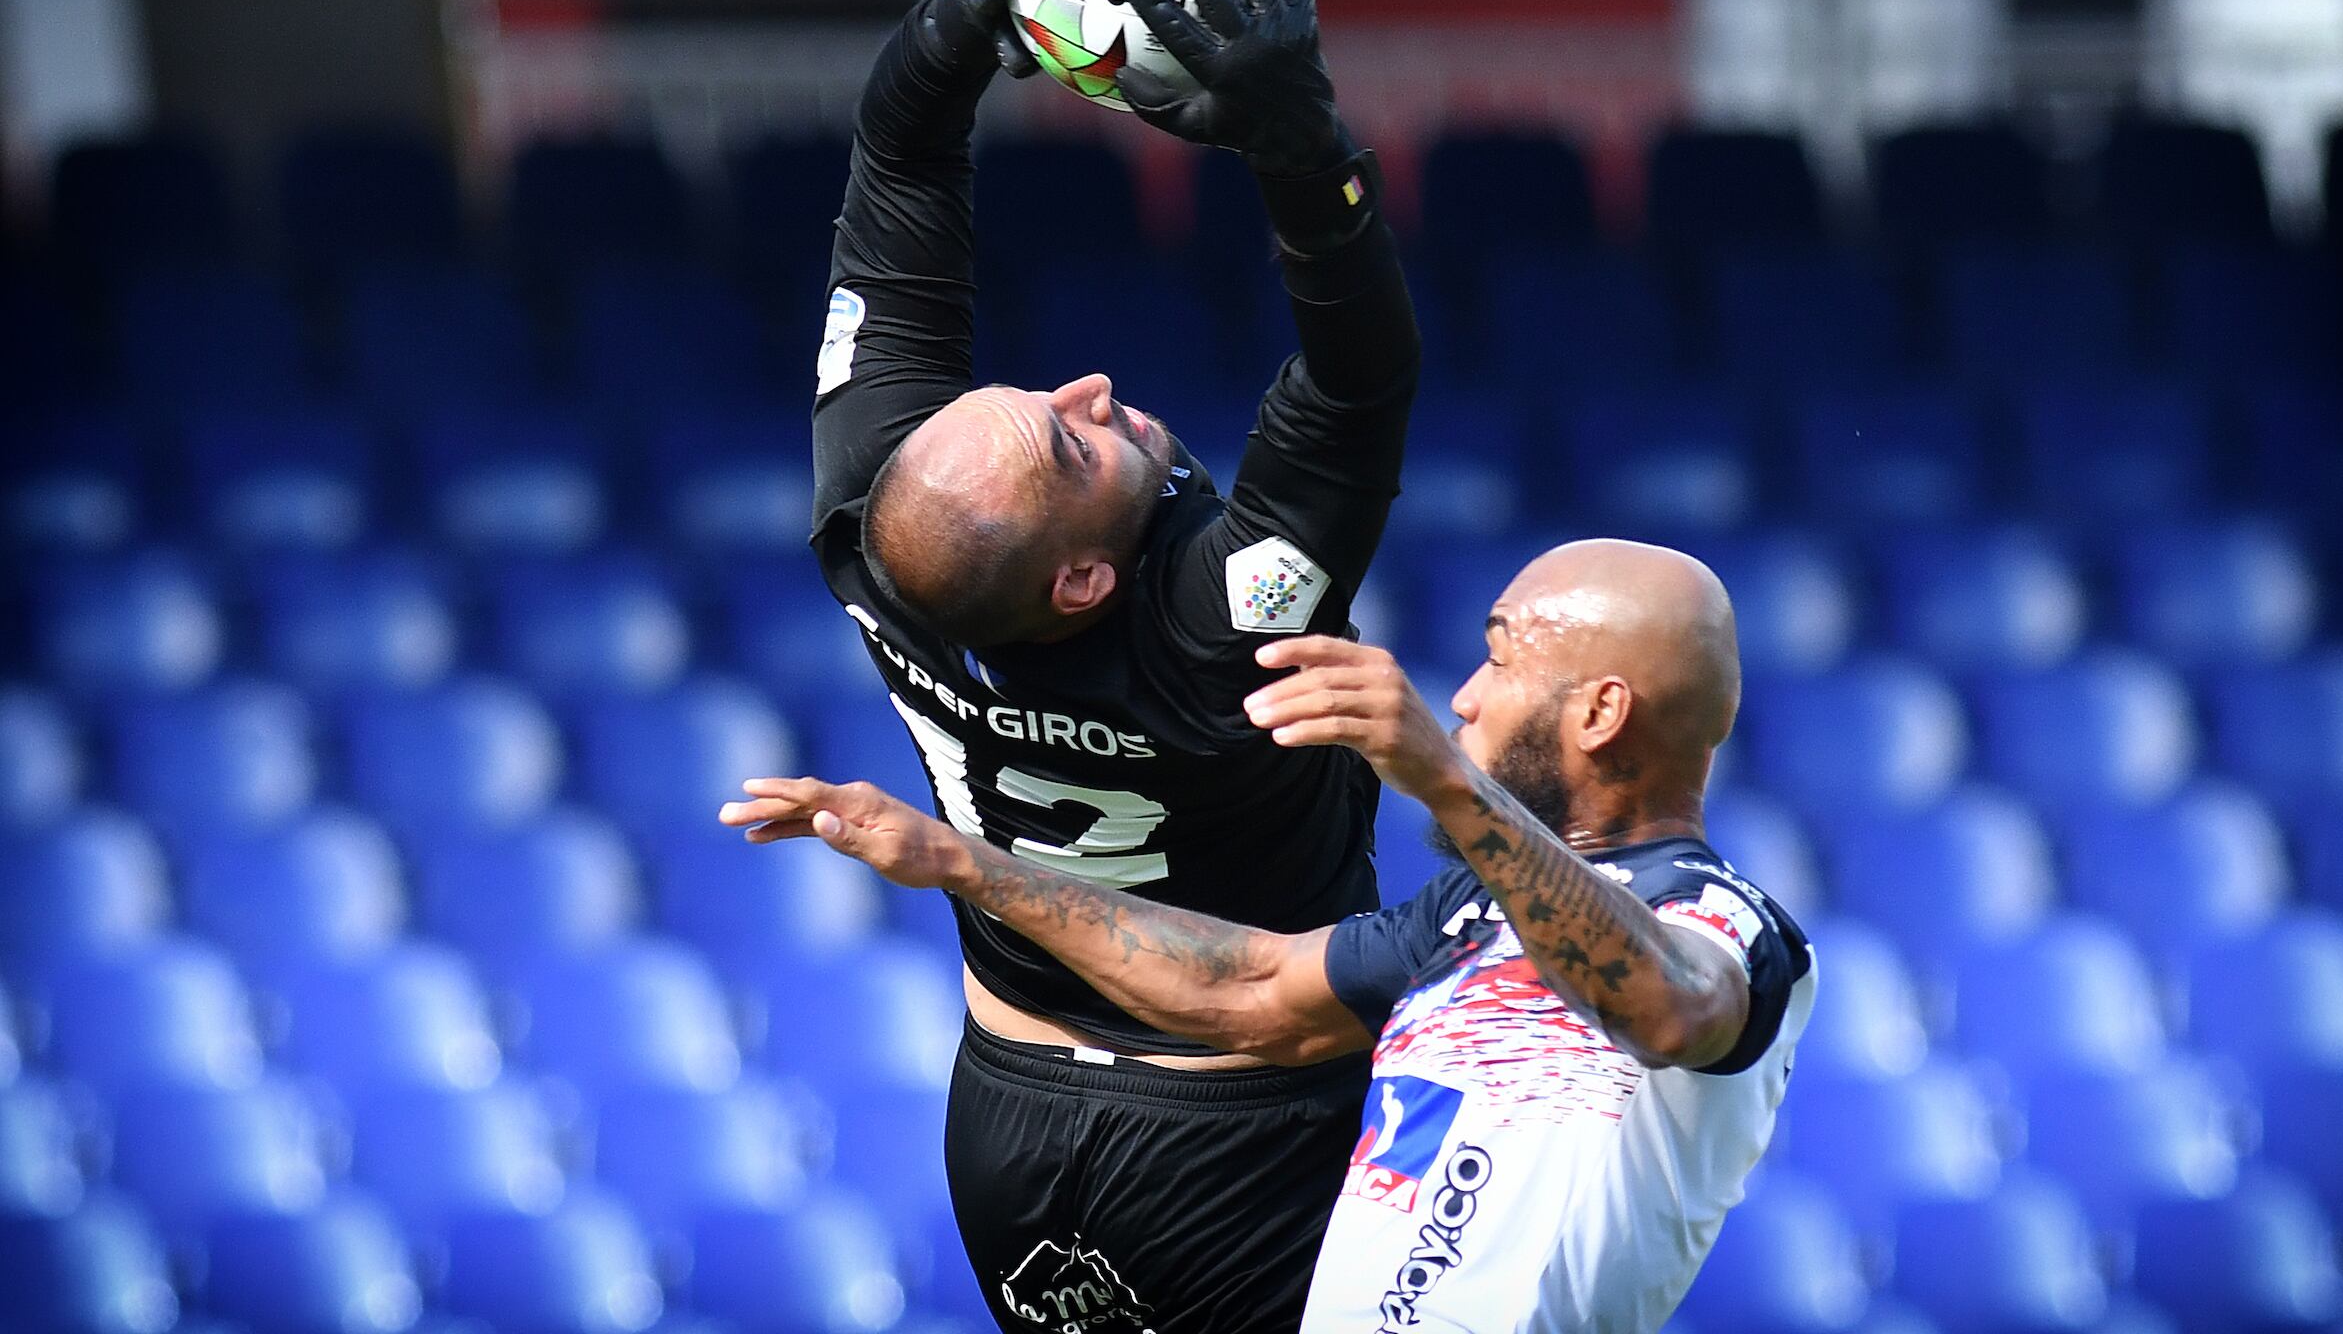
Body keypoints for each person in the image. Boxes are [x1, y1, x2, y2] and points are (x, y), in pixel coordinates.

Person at [793, 0, 1418, 1334]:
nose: (1085, 391)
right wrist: (1299, 140)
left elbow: (896, 162)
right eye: (1074, 449)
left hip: (1007, 1116)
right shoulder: (1213, 636)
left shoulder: (889, 529)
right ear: (1081, 585)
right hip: (1239, 1145)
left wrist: (967, 12)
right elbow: (1358, 384)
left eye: (1043, 400)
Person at [726, 538, 1816, 1334]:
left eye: (1502, 659)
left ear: (1599, 713)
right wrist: (963, 864)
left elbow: (1673, 1008)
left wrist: (1436, 775)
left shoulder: (1721, 917)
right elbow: (1247, 991)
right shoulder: (1466, 919)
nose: (1467, 698)